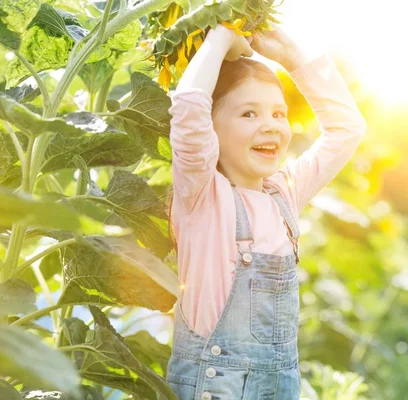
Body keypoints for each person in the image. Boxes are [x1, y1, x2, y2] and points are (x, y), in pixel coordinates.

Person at [164, 21, 367, 400]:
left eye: (278, 114)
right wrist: (222, 34)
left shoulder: (283, 194)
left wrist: (291, 56)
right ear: (211, 129)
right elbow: (189, 107)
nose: (271, 126)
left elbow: (347, 129)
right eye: (249, 114)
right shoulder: (202, 196)